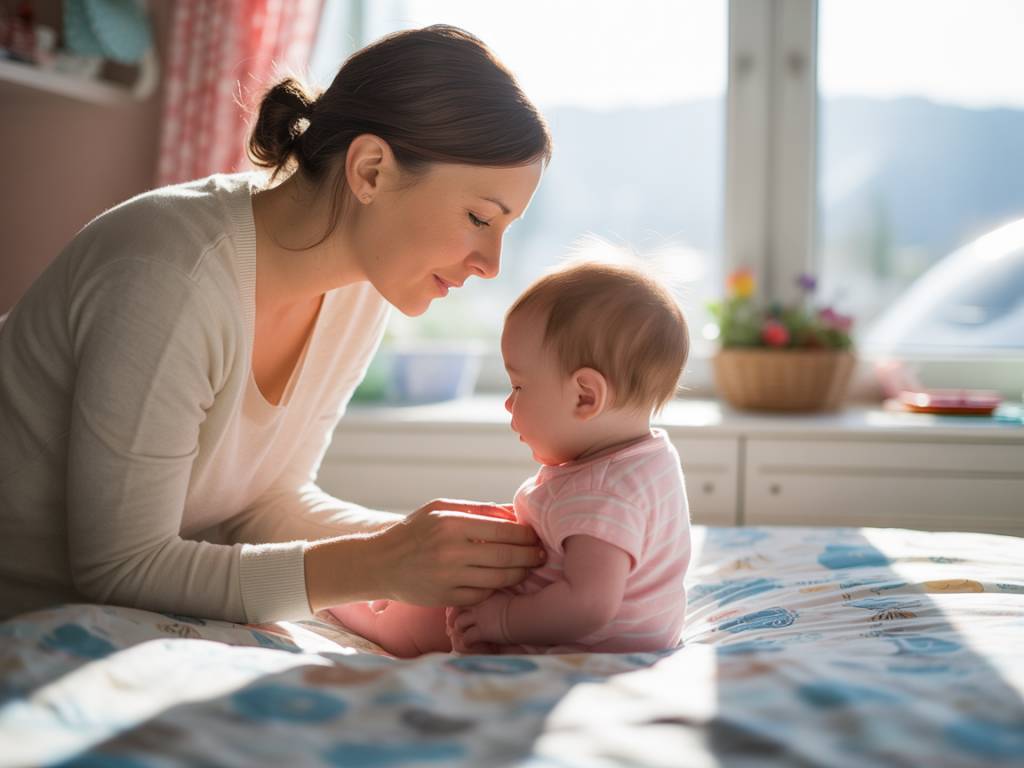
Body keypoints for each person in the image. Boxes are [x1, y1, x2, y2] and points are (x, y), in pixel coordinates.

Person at [0, 25, 552, 624]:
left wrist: (460, 556)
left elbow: (266, 503)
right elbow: (119, 567)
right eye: (479, 217)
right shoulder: (172, 275)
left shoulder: (361, 289)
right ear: (371, 170)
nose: (492, 265)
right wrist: (383, 563)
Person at [329, 257, 692, 656]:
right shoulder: (650, 458)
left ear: (585, 396)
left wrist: (500, 619)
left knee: (430, 610)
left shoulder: (602, 493)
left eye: (519, 386)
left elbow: (588, 605)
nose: (507, 402)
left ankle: (362, 610)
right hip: (631, 635)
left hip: (573, 641)